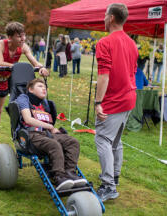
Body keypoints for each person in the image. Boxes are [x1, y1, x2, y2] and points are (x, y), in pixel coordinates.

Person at [0, 22, 48, 155]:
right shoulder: (0, 45)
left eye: (23, 35)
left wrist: (41, 67)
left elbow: (33, 61)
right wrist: (17, 66)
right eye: (19, 36)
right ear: (10, 37)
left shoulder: (23, 47)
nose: (23, 39)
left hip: (5, 82)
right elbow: (0, 62)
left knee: (0, 112)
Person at [94, 3, 138, 202]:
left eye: (105, 15)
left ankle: (108, 185)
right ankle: (114, 176)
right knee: (115, 141)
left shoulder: (105, 42)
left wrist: (98, 102)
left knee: (103, 139)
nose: (103, 19)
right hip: (129, 98)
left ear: (111, 18)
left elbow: (104, 76)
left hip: (115, 99)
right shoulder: (131, 43)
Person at [16, 78, 87, 190]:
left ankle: (70, 172)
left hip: (46, 133)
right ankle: (58, 176)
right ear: (30, 89)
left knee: (73, 142)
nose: (44, 88)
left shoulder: (44, 104)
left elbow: (49, 123)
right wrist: (49, 127)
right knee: (54, 144)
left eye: (45, 87)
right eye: (40, 86)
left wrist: (52, 129)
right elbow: (28, 119)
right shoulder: (23, 99)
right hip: (31, 134)